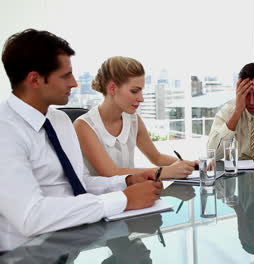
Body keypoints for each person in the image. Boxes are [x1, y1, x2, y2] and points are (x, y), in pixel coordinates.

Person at [0, 29, 162, 251]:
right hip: (26, 253)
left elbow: (79, 183)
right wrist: (124, 200)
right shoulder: (5, 130)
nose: (75, 83)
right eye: (65, 75)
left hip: (73, 243)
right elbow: (31, 216)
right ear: (35, 79)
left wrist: (126, 182)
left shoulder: (60, 121)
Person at [74, 56, 197, 179]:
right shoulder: (84, 126)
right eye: (134, 91)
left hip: (132, 193)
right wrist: (163, 172)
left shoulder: (133, 120)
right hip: (101, 197)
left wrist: (190, 165)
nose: (141, 98)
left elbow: (157, 157)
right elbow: (110, 172)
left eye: (141, 91)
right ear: (112, 88)